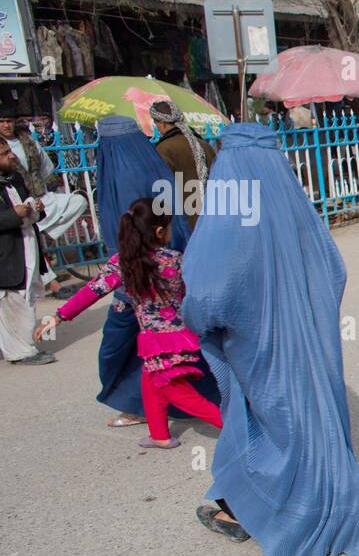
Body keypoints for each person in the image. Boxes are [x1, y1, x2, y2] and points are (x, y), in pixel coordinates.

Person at [180, 123, 359, 556]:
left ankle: (261, 511)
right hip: (307, 334)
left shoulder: (231, 200)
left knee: (264, 419)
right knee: (304, 414)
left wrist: (204, 320)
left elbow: (207, 293)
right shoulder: (289, 195)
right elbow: (334, 268)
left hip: (255, 339)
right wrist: (309, 311)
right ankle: (259, 503)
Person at [36, 198, 223, 448]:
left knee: (180, 394)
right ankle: (159, 435)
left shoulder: (122, 264)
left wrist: (58, 316)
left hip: (157, 340)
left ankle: (240, 430)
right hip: (178, 336)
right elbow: (195, 293)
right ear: (159, 231)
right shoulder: (174, 259)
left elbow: (91, 291)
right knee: (151, 380)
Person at [90, 115, 211, 429]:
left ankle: (209, 414)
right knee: (155, 350)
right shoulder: (151, 161)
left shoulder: (123, 172)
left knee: (121, 346)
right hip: (159, 273)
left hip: (136, 277)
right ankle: (154, 418)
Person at [0, 103, 89, 297]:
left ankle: (45, 229)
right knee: (28, 244)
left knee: (79, 201)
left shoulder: (27, 140)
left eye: (9, 121)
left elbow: (46, 167)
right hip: (12, 202)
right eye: (2, 122)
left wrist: (36, 187)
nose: (6, 125)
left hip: (37, 196)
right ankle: (52, 284)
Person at [0, 139, 55, 364]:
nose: (11, 156)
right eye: (4, 153)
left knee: (26, 297)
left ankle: (23, 344)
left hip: (25, 247)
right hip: (7, 254)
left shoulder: (14, 179)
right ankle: (20, 352)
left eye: (9, 151)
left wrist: (36, 208)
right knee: (11, 301)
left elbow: (29, 207)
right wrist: (15, 214)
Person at [149, 99, 215, 231]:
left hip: (185, 220)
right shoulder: (204, 145)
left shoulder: (163, 149)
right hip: (213, 215)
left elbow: (161, 188)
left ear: (161, 124)